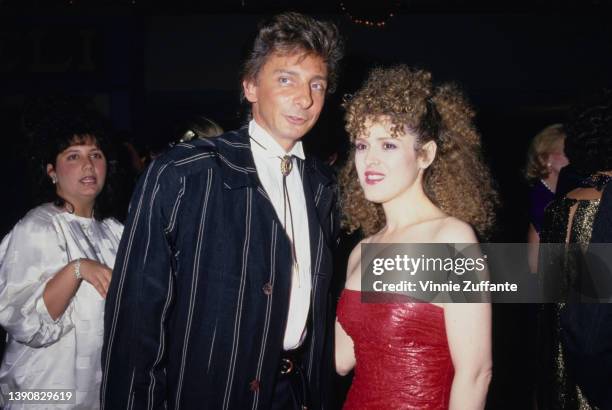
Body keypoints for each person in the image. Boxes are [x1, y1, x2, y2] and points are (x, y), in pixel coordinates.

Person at [101, 12, 343, 410]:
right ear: (250, 86)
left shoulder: (323, 185)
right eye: (286, 79)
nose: (306, 98)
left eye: (317, 84)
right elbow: (136, 323)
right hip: (208, 393)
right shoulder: (185, 172)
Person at [335, 66, 496, 409]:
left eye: (388, 144)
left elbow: (476, 373)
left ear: (425, 155)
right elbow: (342, 360)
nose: (370, 159)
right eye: (362, 145)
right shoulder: (362, 250)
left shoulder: (449, 238)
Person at [0, 108, 123, 409]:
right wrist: (77, 269)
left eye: (96, 155)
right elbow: (22, 321)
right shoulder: (37, 227)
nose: (88, 165)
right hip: (43, 394)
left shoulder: (114, 231)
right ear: (51, 171)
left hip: (95, 393)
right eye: (73, 156)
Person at [538, 89, 612, 410]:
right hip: (596, 381)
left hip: (556, 370)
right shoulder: (603, 206)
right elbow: (592, 328)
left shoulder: (558, 207)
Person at [525, 124, 569, 272]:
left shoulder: (561, 193)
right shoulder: (537, 198)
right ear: (546, 159)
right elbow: (535, 265)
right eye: (567, 152)